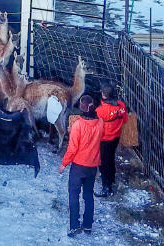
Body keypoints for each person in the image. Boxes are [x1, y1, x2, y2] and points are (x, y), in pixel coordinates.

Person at [59, 95, 104, 237]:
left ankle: (74, 226)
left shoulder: (77, 125)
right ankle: (88, 225)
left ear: (81, 108)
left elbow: (72, 149)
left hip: (78, 167)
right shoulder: (101, 123)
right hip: (92, 166)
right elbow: (101, 139)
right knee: (88, 195)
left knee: (73, 195)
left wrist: (64, 164)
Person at [94, 84, 128, 198]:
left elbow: (95, 126)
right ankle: (112, 179)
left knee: (103, 163)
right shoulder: (121, 105)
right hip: (116, 137)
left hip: (104, 140)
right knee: (111, 158)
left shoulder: (100, 111)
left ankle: (106, 187)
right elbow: (125, 119)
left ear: (103, 95)